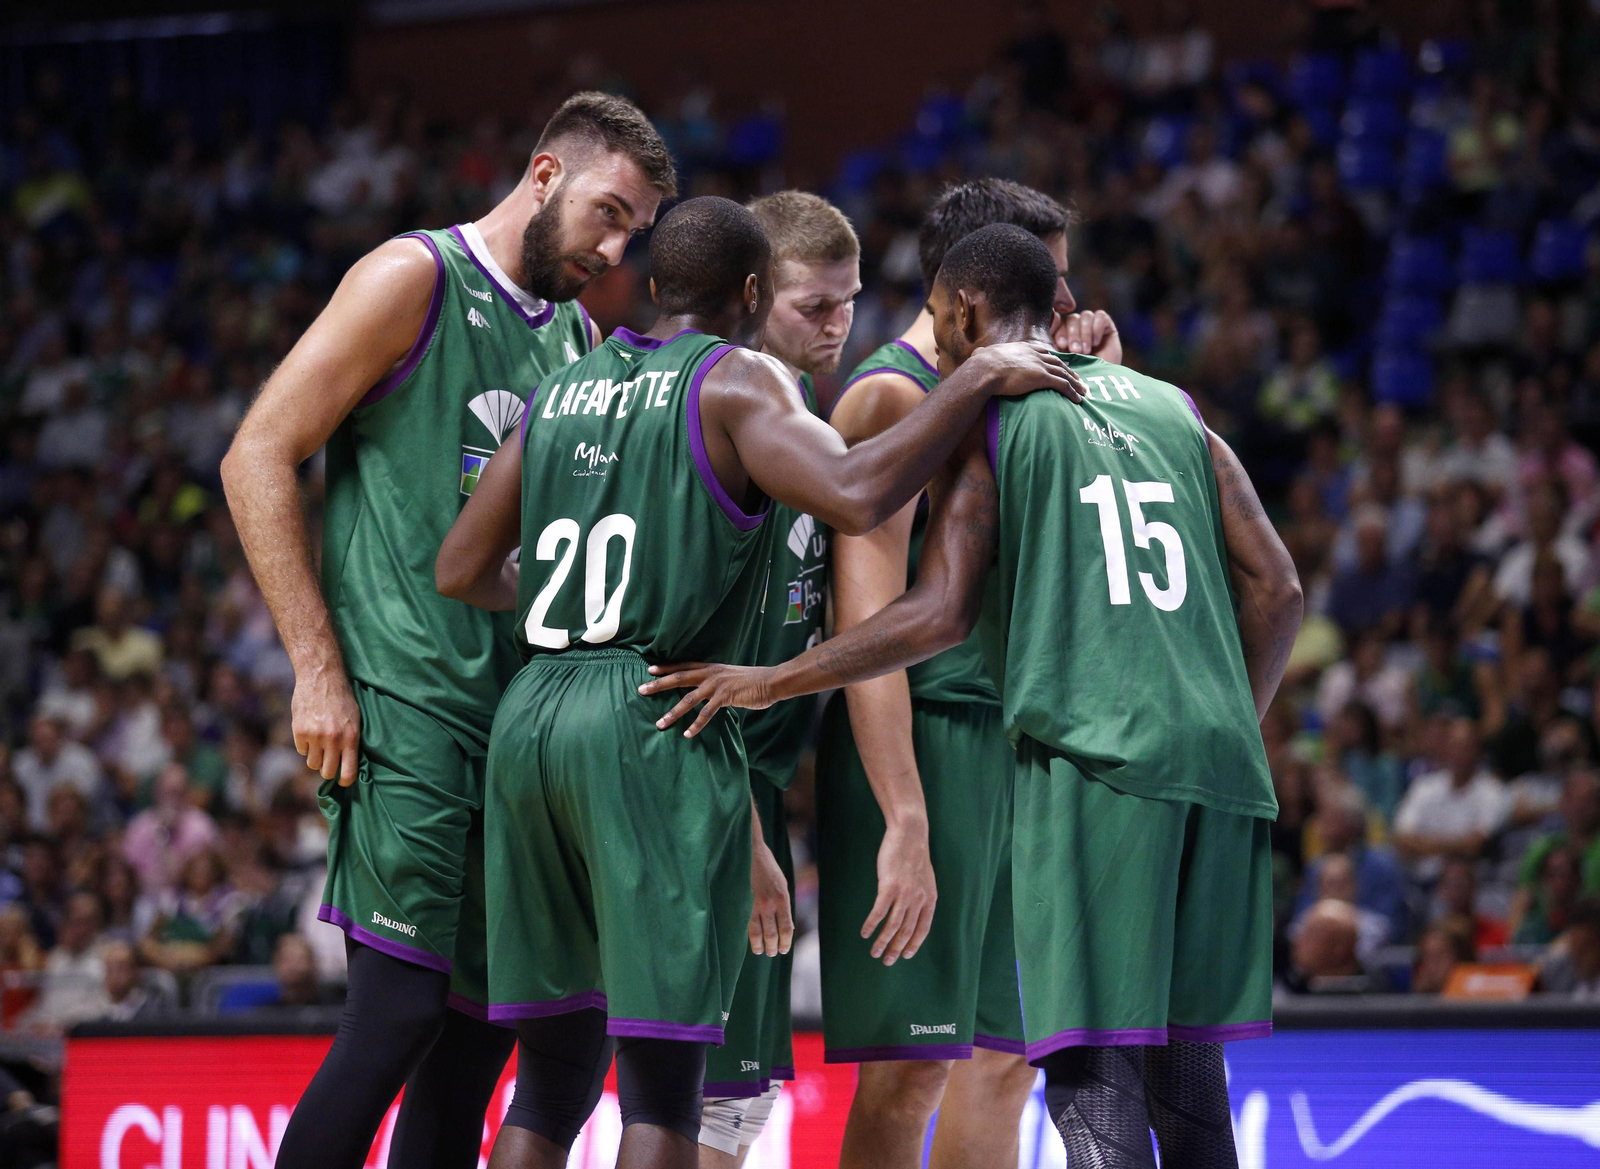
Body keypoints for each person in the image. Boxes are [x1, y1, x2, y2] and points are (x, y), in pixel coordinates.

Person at [435, 198, 1078, 1169]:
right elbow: (860, 489)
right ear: (750, 293)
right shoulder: (737, 383)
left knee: (551, 1075)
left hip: (533, 713)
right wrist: (980, 375)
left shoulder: (565, 385)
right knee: (664, 1090)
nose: (834, 324)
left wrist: (562, 611)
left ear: (653, 287)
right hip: (654, 717)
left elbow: (460, 567)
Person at [642, 224, 1302, 1169]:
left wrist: (778, 678)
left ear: (963, 314)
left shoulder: (998, 417)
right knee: (1191, 1083)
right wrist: (1229, 720)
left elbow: (940, 610)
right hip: (1223, 772)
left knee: (1093, 1082)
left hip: (1095, 763)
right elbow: (1279, 588)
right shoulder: (1175, 407)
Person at [222, 93, 677, 1169]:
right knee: (397, 1016)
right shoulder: (411, 277)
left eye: (635, 231)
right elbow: (257, 451)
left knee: (471, 1049)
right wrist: (315, 670)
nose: (615, 247)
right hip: (406, 706)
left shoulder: (573, 337)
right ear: (543, 174)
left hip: (516, 737)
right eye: (607, 212)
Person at [820, 178, 1112, 1169]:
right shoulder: (890, 394)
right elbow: (865, 626)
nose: (1061, 307)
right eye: (1045, 287)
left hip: (1017, 744)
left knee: (1008, 1058)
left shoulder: (1020, 383)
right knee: (910, 1068)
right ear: (968, 293)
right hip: (926, 744)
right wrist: (903, 817)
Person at [694, 191, 860, 1169]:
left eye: (848, 302)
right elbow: (669, 646)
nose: (836, 325)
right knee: (707, 1108)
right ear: (753, 295)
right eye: (812, 305)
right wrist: (746, 829)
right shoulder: (732, 415)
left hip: (749, 788)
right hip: (712, 789)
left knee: (737, 1105)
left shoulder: (795, 414)